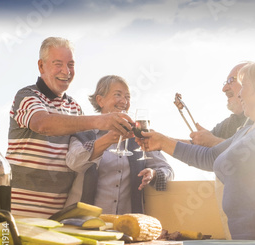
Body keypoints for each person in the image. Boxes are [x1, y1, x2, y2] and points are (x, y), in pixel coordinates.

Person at [138, 58, 255, 245]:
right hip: (245, 243)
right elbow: (210, 157)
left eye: (244, 86)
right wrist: (162, 142)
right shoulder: (246, 131)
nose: (240, 94)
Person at [6, 37, 133, 218]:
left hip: (59, 216)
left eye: (71, 65)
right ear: (41, 66)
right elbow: (43, 123)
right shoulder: (27, 96)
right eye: (58, 64)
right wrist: (100, 120)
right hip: (19, 212)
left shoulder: (74, 107)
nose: (66, 71)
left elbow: (81, 157)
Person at [65, 75, 174, 214]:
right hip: (82, 222)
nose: (124, 101)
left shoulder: (138, 136)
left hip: (124, 226)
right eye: (118, 95)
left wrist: (153, 174)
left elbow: (167, 170)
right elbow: (74, 162)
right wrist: (109, 139)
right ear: (100, 100)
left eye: (128, 97)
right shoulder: (84, 133)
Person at [176, 62, 252, 147]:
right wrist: (161, 140)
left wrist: (214, 142)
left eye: (230, 80)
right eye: (226, 82)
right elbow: (198, 147)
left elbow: (250, 152)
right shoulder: (228, 124)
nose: (224, 89)